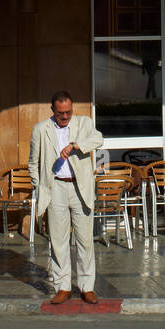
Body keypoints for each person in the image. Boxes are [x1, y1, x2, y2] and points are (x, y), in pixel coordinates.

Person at [29, 91, 104, 304]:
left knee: (85, 240)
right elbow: (33, 162)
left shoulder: (84, 123)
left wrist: (77, 145)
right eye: (61, 113)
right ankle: (62, 287)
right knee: (58, 241)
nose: (65, 116)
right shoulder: (40, 130)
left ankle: (87, 287)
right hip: (56, 188)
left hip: (80, 188)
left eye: (68, 112)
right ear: (52, 110)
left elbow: (98, 139)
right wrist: (40, 185)